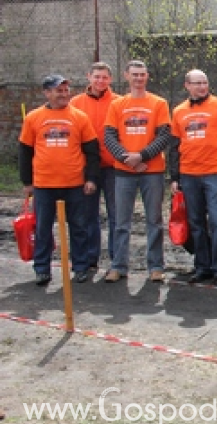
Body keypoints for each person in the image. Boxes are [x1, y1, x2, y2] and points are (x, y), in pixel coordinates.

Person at [19, 74, 100, 285]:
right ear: (47, 93)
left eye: (65, 90)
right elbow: (25, 151)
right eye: (58, 90)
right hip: (44, 184)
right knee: (43, 229)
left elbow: (91, 151)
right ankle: (42, 269)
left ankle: (81, 267)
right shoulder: (33, 118)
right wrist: (27, 182)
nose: (64, 94)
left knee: (78, 227)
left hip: (74, 183)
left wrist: (90, 178)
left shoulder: (79, 117)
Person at [167, 69, 217, 287]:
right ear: (187, 86)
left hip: (215, 173)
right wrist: (175, 177)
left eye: (205, 82)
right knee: (196, 223)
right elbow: (174, 147)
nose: (202, 86)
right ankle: (202, 267)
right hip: (189, 175)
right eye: (197, 83)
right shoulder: (179, 111)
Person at [102, 60, 171, 283]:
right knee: (121, 221)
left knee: (154, 220)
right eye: (135, 74)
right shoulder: (117, 105)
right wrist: (127, 159)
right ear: (127, 76)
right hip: (123, 172)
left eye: (142, 74)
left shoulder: (159, 103)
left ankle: (156, 267)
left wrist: (141, 156)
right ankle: (118, 266)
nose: (139, 78)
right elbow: (109, 137)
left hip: (152, 171)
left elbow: (164, 136)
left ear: (147, 76)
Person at [70, 62, 120, 274]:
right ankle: (90, 259)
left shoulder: (119, 102)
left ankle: (117, 261)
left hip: (113, 167)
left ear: (111, 79)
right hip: (86, 168)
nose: (100, 81)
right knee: (87, 215)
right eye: (96, 77)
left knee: (116, 215)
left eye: (105, 77)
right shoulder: (75, 103)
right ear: (88, 77)